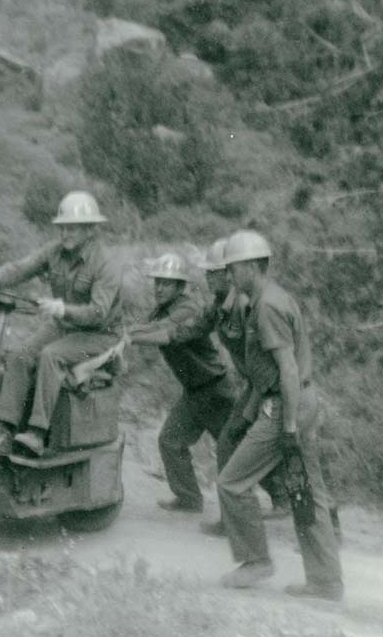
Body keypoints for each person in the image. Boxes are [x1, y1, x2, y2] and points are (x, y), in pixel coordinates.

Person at [214, 230, 344, 597]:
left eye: (234, 268)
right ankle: (326, 581)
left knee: (231, 482)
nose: (229, 275)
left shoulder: (267, 306)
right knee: (307, 492)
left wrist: (286, 426)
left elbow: (286, 369)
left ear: (253, 267)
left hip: (288, 405)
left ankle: (256, 561)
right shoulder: (265, 299)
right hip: (300, 400)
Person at [0, 190, 123, 456]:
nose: (65, 234)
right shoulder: (55, 252)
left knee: (50, 356)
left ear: (90, 230)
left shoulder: (106, 264)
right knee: (21, 356)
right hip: (65, 325)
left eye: (73, 229)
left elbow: (98, 313)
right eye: (62, 228)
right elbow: (20, 268)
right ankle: (3, 431)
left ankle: (37, 432)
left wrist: (62, 308)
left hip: (100, 335)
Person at [126, 251, 241, 514]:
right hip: (195, 392)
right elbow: (145, 327)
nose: (159, 287)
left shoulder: (186, 308)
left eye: (167, 283)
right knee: (170, 440)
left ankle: (281, 496)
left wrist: (127, 335)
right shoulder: (161, 310)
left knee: (237, 449)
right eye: (157, 282)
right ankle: (189, 498)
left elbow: (162, 331)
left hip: (215, 390)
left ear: (180, 287)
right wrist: (123, 331)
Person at [196, 237, 290, 534]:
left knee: (237, 443)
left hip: (271, 389)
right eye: (208, 272)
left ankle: (314, 522)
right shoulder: (223, 306)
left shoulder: (248, 306)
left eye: (215, 272)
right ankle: (309, 520)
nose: (209, 278)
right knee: (241, 443)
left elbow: (275, 363)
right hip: (261, 386)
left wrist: (251, 410)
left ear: (229, 272)